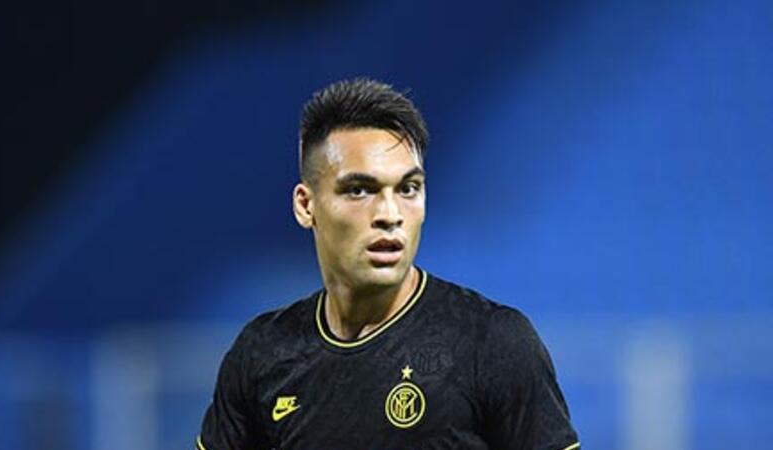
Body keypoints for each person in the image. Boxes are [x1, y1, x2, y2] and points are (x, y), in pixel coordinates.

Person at [197, 78, 580, 450]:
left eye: (408, 188)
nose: (390, 214)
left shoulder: (492, 342)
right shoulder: (261, 353)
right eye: (359, 190)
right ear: (306, 205)